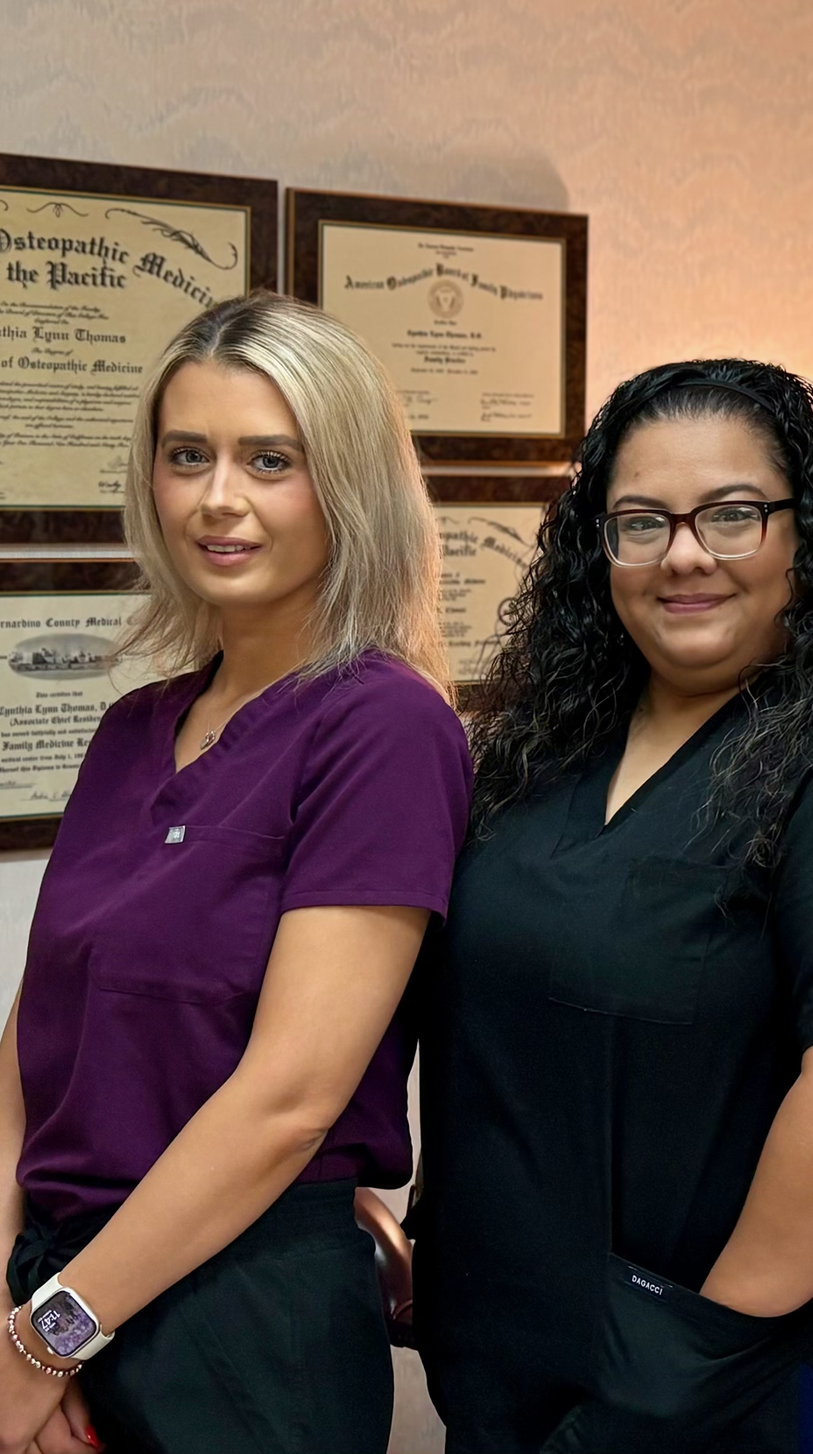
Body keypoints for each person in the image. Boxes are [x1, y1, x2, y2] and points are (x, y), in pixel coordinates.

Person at [414, 359, 813, 1454]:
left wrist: (687, 1359)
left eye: (732, 514)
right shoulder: (540, 754)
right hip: (506, 1371)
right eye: (641, 521)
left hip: (725, 1389)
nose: (684, 553)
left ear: (802, 536)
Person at [0, 291, 468, 1454]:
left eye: (272, 460)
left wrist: (47, 1338)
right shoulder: (129, 729)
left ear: (346, 484)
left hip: (238, 1313)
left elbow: (287, 1101)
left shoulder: (384, 729)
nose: (219, 497)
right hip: (55, 1280)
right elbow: (28, 1058)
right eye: (187, 455)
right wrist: (11, 1322)